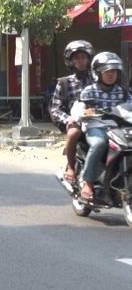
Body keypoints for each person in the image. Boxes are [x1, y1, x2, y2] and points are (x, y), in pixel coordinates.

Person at [74, 51, 129, 202]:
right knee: (99, 143)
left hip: (119, 128)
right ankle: (88, 182)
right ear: (98, 73)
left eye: (114, 71)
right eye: (107, 71)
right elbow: (79, 109)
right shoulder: (89, 90)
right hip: (96, 127)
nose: (111, 75)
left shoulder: (123, 92)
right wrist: (86, 111)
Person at [50, 40, 95, 185]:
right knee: (73, 133)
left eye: (83, 57)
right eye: (77, 58)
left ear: (89, 59)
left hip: (98, 119)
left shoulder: (98, 79)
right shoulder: (64, 82)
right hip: (76, 121)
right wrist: (68, 119)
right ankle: (70, 167)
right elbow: (55, 109)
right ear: (71, 61)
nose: (81, 61)